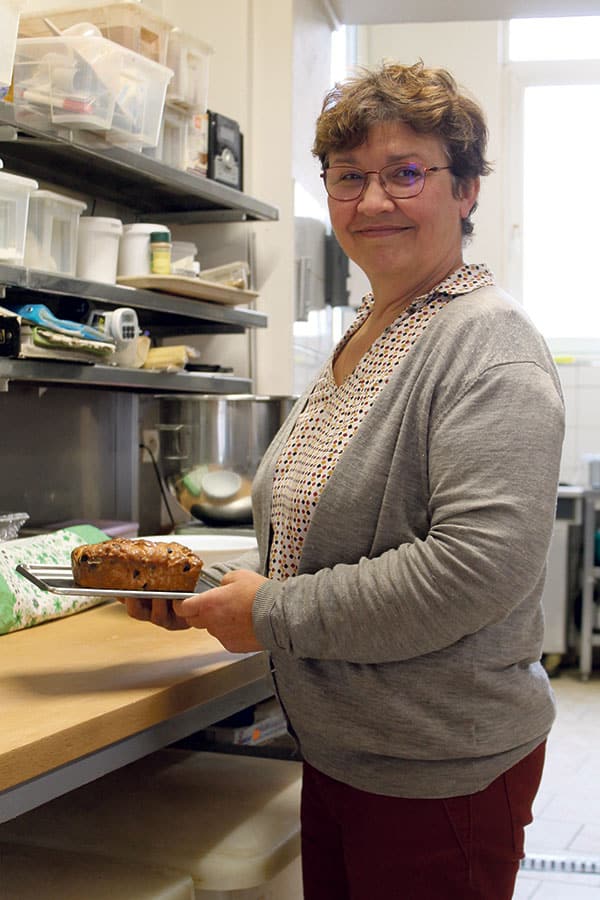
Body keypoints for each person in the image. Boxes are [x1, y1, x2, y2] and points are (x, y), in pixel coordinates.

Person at [124, 61, 565, 900]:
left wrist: (264, 612)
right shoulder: (368, 332)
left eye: (406, 174)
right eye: (348, 177)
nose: (372, 202)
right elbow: (316, 544)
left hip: (439, 767)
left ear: (466, 189)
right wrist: (201, 587)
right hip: (344, 748)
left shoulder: (488, 344)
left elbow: (470, 570)